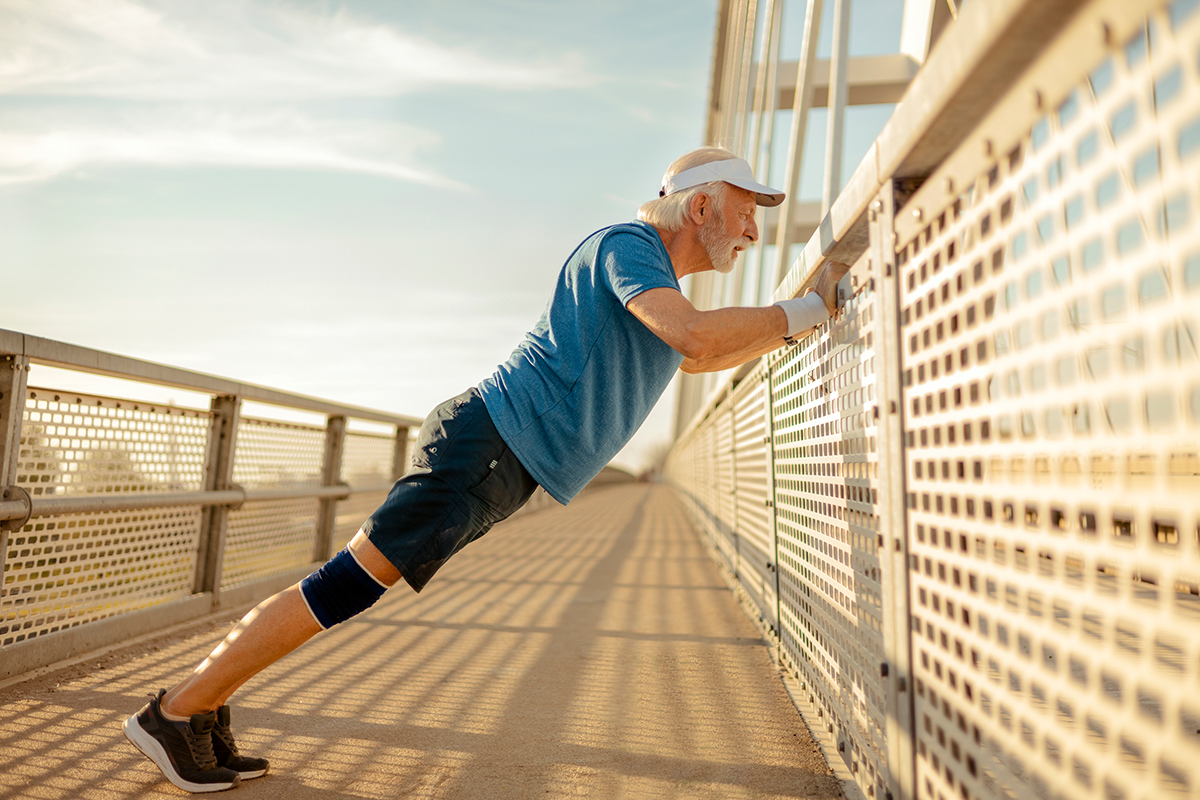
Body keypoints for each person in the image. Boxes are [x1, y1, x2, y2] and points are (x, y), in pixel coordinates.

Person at [122, 145, 849, 792]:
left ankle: (202, 706)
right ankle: (176, 710)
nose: (754, 232)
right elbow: (694, 340)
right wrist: (805, 309)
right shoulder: (628, 246)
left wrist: (797, 322)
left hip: (499, 453)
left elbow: (712, 350)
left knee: (345, 585)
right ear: (700, 206)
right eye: (747, 213)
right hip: (487, 444)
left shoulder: (657, 278)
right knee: (343, 585)